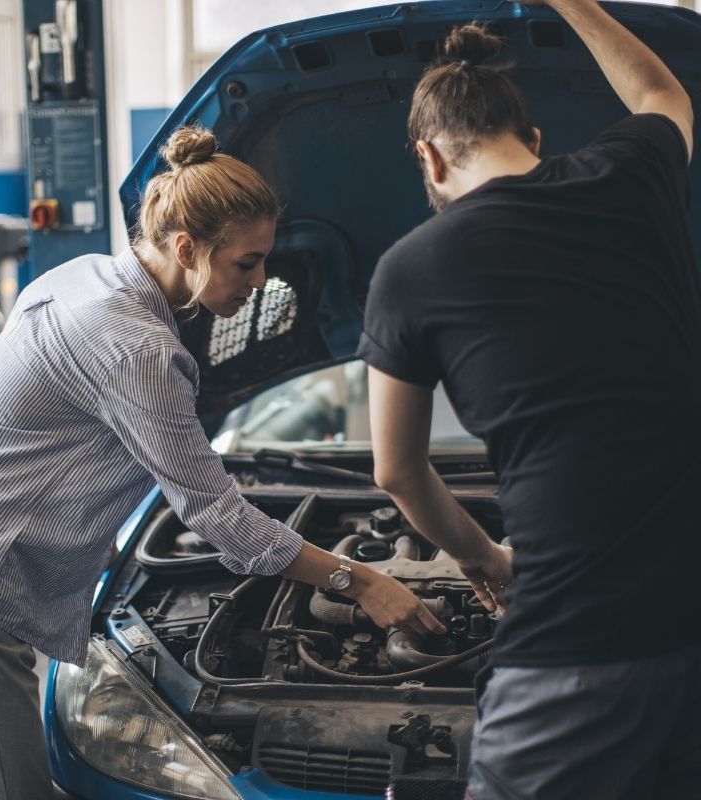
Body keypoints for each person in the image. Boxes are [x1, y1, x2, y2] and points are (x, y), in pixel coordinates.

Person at [0, 126, 441, 800]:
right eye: (246, 263)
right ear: (186, 247)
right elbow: (218, 516)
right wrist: (356, 581)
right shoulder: (136, 348)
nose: (260, 279)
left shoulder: (83, 278)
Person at [357, 1, 699, 798]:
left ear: (429, 161)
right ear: (536, 141)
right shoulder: (635, 175)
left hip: (574, 648)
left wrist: (489, 564)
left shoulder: (410, 269)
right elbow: (662, 93)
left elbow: (397, 473)